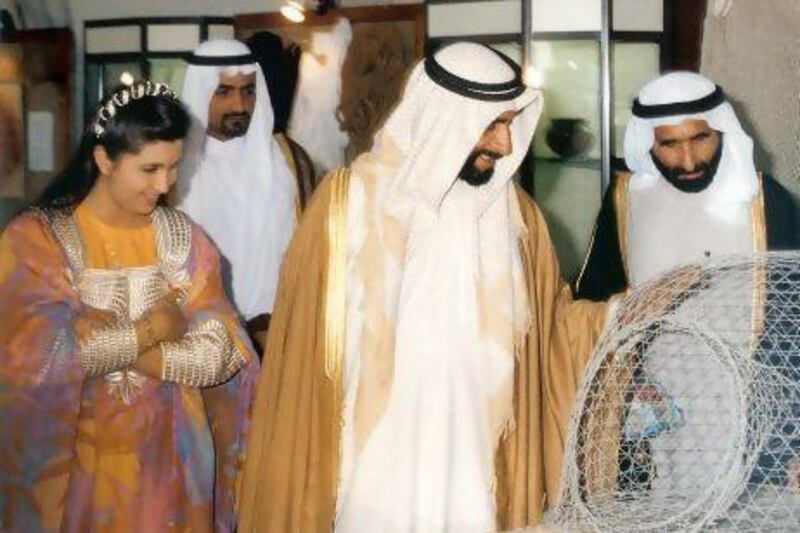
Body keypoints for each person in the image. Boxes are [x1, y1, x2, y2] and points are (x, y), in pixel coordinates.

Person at [237, 42, 610, 532]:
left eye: (508, 125)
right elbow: (301, 355)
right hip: (372, 471)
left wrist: (620, 316)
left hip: (475, 461)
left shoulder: (518, 218)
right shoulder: (345, 207)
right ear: (443, 118)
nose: (503, 145)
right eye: (490, 125)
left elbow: (554, 329)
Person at [0, 81, 258, 531]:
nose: (165, 185)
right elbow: (32, 361)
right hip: (76, 475)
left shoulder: (182, 240)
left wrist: (105, 342)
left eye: (174, 167)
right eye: (150, 168)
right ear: (104, 160)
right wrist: (155, 327)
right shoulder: (36, 241)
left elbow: (221, 354)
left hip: (173, 472)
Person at [574, 71, 798, 302]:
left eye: (700, 139)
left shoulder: (768, 200)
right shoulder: (625, 199)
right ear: (647, 143)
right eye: (670, 144)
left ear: (721, 132)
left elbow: (790, 304)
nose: (689, 163)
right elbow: (594, 300)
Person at [175, 39, 316, 351]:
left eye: (248, 90)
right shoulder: (170, 168)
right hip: (199, 343)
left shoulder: (288, 160)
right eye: (224, 92)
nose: (239, 105)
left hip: (279, 339)